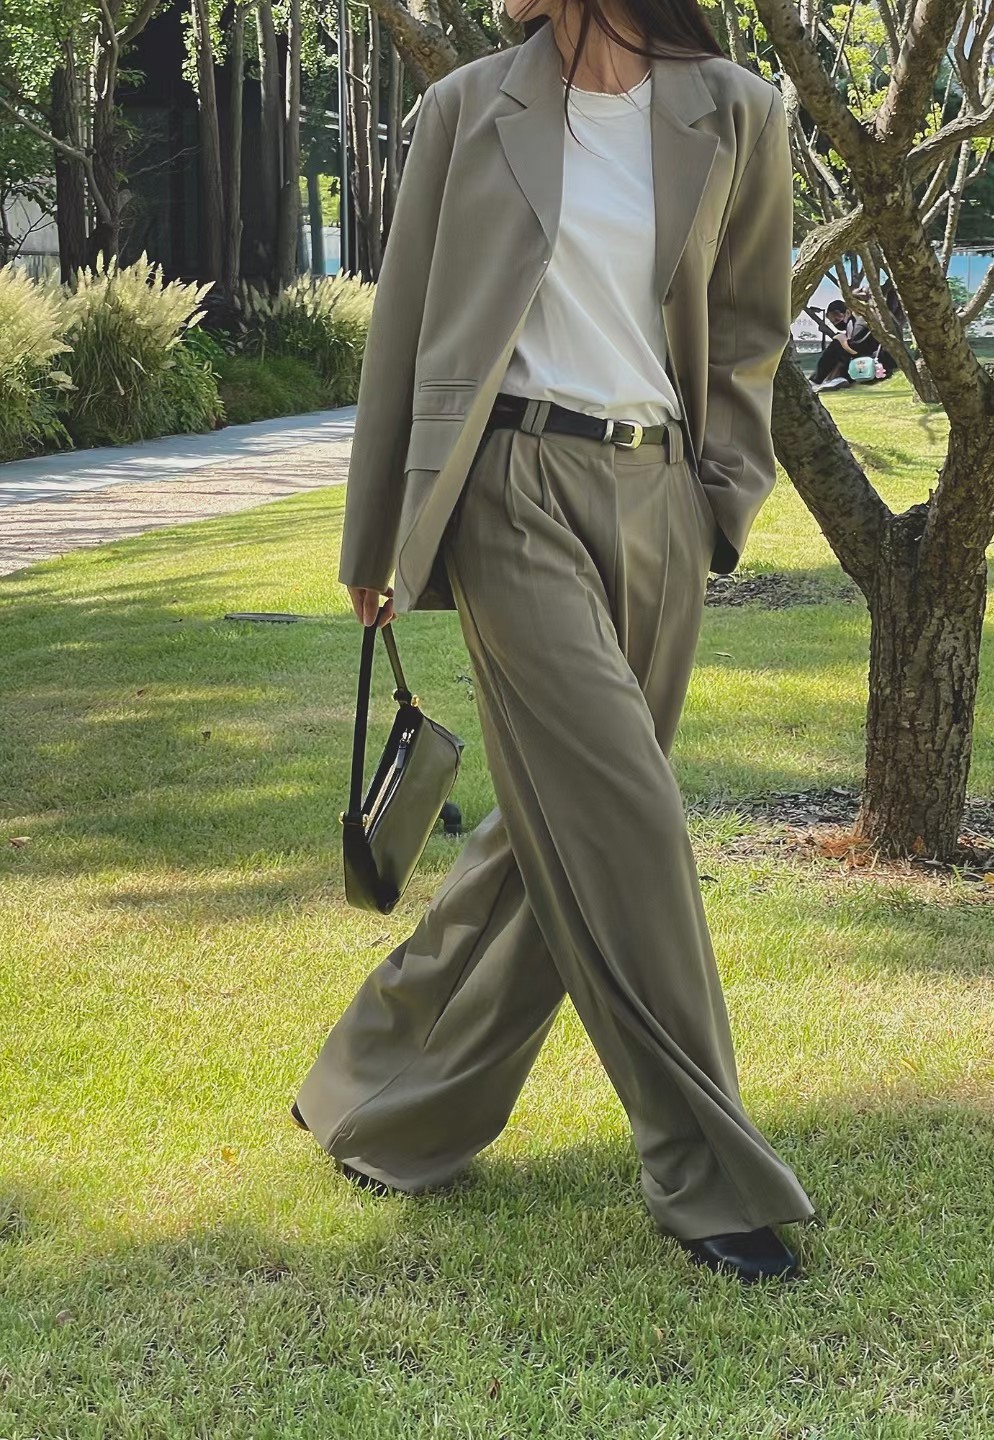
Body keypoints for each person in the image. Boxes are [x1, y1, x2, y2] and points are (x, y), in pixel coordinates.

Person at [291, 0, 817, 1284]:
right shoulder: (467, 107)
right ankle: (708, 1169)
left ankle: (381, 1095)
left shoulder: (739, 114)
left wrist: (719, 500)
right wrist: (375, 541)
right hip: (510, 490)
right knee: (626, 819)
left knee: (550, 840)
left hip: (662, 501)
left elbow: (751, 328)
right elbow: (405, 327)